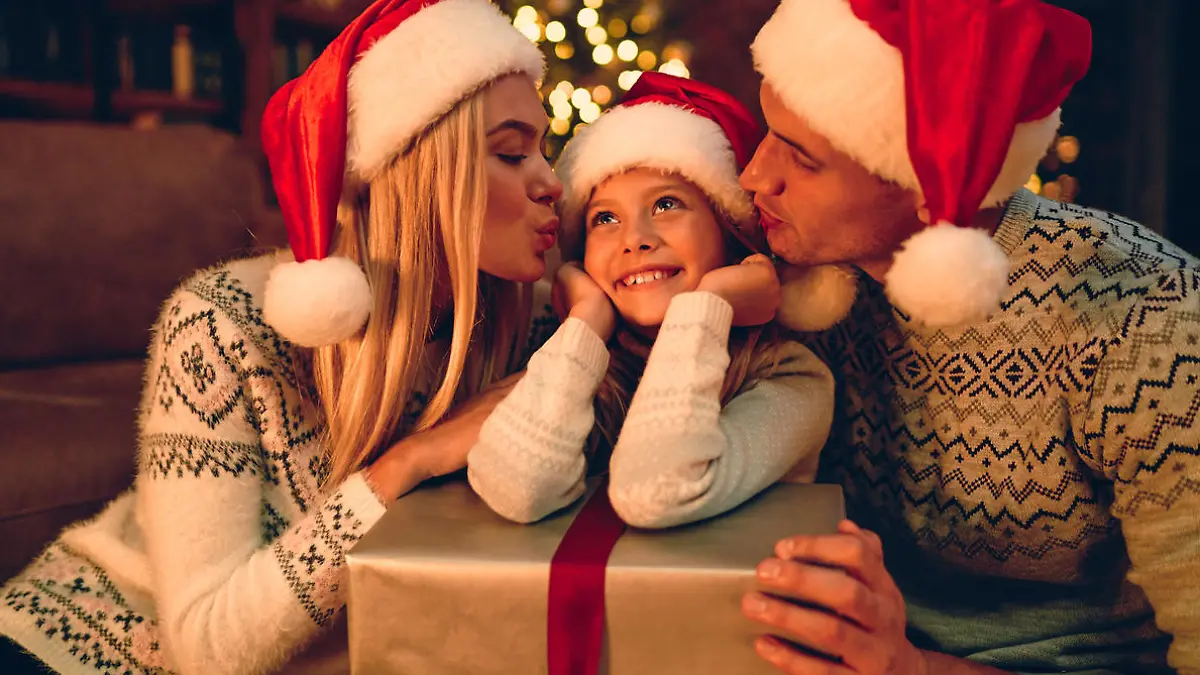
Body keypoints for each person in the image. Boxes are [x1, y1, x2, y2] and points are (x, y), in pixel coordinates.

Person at [0, 0, 562, 673]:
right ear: (417, 171)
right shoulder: (221, 323)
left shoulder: (523, 323)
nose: (550, 182)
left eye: (546, 148)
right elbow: (205, 649)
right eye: (510, 152)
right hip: (75, 652)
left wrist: (596, 311)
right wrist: (404, 466)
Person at [735, 1, 1200, 674]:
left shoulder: (1148, 319)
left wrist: (913, 667)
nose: (755, 176)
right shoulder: (803, 279)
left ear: (927, 181)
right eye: (766, 131)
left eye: (802, 159)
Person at [467, 73, 836, 529]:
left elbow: (656, 491)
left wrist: (708, 303)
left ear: (727, 231)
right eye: (605, 218)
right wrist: (585, 321)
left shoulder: (792, 379)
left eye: (666, 205)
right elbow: (516, 487)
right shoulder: (581, 365)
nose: (635, 239)